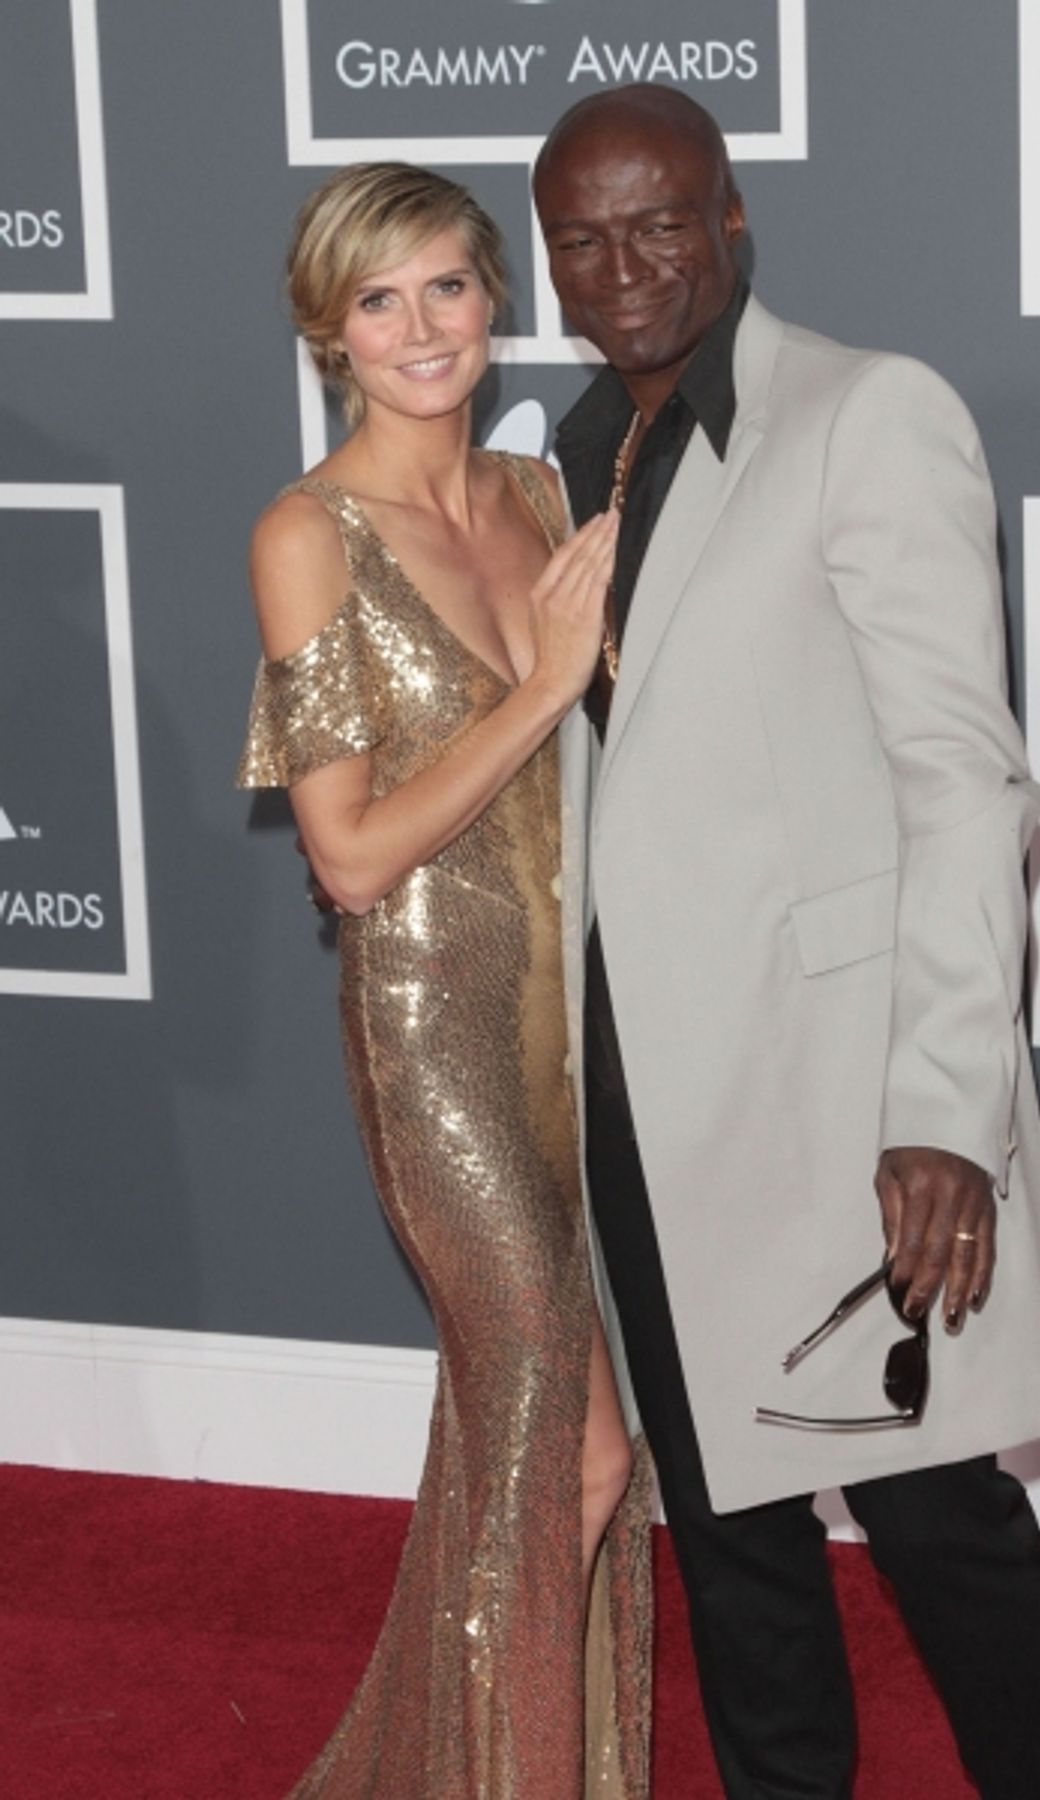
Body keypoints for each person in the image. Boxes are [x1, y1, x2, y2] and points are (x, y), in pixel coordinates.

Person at [533, 85, 1040, 1798]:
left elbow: (964, 777)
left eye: (661, 222)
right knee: (726, 1530)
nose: (624, 264)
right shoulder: (553, 462)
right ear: (550, 256)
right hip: (647, 1104)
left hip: (841, 1099)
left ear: (731, 224)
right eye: (583, 235)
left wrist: (944, 1106)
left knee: (937, 1510)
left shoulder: (869, 414)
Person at [236, 162, 651, 1800]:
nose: (423, 328)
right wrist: (546, 685)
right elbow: (346, 855)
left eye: (450, 287)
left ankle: (440, 1764)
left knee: (534, 1463)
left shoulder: (539, 499)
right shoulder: (306, 531)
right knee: (578, 1456)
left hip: (580, 1027)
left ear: (497, 300)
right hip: (441, 1042)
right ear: (331, 330)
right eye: (380, 299)